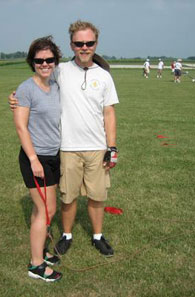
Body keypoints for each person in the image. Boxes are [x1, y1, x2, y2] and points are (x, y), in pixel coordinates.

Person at [9, 21, 119, 257]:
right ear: (71, 45)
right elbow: (37, 83)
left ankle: (98, 236)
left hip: (98, 148)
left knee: (97, 196)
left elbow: (109, 113)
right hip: (67, 148)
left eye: (89, 43)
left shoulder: (104, 76)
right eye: (79, 43)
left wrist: (112, 146)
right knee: (68, 197)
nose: (84, 47)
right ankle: (66, 235)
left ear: (96, 44)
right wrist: (15, 98)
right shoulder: (60, 71)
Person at [13, 36, 62, 282]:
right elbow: (21, 127)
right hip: (36, 158)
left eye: (49, 59)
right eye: (39, 60)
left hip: (54, 156)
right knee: (46, 209)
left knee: (43, 209)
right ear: (32, 62)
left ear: (55, 61)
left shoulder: (56, 83)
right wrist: (33, 159)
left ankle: (40, 250)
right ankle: (35, 265)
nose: (45, 64)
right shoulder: (26, 89)